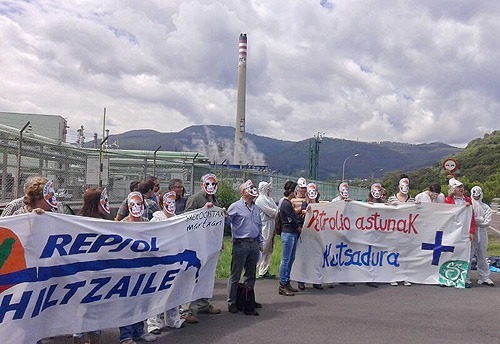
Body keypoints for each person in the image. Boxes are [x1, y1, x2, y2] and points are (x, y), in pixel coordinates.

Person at [180, 173, 222, 322]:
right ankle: (186, 310)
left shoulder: (214, 199)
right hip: (195, 243)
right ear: (202, 184)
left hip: (209, 243)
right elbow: (187, 218)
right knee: (192, 275)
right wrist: (203, 209)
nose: (212, 187)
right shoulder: (195, 199)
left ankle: (203, 304)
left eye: (214, 184)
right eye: (209, 184)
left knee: (206, 274)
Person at [72, 188, 110, 344]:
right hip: (81, 271)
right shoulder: (76, 221)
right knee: (81, 305)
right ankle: (79, 335)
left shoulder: (105, 222)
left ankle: (93, 335)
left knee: (96, 307)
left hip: (99, 272)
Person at [119, 191, 157, 343]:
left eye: (139, 204)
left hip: (145, 269)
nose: (136, 207)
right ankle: (126, 336)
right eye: (132, 204)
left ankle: (139, 331)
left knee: (142, 302)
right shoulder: (121, 225)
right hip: (127, 269)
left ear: (143, 205)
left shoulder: (147, 223)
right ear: (128, 206)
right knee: (127, 303)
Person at [147, 191, 186, 334]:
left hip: (174, 259)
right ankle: (153, 323)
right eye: (168, 202)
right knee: (157, 292)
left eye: (173, 202)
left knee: (174, 290)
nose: (171, 205)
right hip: (159, 261)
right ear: (162, 203)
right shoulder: (156, 220)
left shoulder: (177, 219)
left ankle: (173, 319)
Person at [226, 180, 264, 313]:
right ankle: (232, 301)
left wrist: (260, 242)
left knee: (251, 273)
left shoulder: (256, 208)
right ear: (243, 192)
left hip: (253, 242)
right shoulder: (235, 206)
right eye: (250, 188)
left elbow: (259, 226)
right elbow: (226, 222)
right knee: (235, 274)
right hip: (240, 243)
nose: (253, 190)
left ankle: (248, 298)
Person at [444, 177, 476, 288]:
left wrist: (472, 231)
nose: (461, 189)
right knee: (450, 254)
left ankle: (464, 278)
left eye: (461, 186)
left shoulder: (467, 200)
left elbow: (472, 217)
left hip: (464, 231)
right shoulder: (448, 200)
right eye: (458, 187)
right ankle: (447, 277)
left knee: (465, 254)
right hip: (452, 231)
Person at [387, 175, 414, 286]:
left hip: (407, 231)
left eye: (407, 184)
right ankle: (393, 276)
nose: (405, 187)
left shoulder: (412, 199)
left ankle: (405, 276)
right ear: (399, 186)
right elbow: (384, 212)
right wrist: (390, 206)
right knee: (393, 253)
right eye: (403, 184)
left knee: (406, 254)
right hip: (394, 230)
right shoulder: (392, 199)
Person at [297, 183, 324, 290]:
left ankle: (315, 280)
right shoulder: (304, 203)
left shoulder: (320, 204)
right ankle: (301, 281)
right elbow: (303, 212)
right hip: (306, 234)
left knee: (316, 258)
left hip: (316, 235)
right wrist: (307, 209)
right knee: (304, 258)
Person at [278, 181, 301, 296]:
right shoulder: (285, 204)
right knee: (286, 259)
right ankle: (282, 283)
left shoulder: (288, 203)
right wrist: (297, 228)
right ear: (291, 191)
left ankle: (286, 281)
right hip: (288, 233)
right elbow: (291, 219)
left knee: (290, 259)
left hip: (291, 233)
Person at [469, 186, 494, 286]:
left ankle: (484, 277)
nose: (476, 196)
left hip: (482, 233)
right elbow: (468, 219)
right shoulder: (469, 206)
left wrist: (475, 220)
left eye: (478, 194)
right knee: (469, 255)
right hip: (471, 232)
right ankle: (466, 277)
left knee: (482, 255)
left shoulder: (485, 207)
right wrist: (479, 220)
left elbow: (487, 222)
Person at [255, 181, 278, 279]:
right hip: (264, 225)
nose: (270, 189)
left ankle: (264, 270)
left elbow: (276, 210)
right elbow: (271, 212)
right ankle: (254, 268)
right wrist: (275, 212)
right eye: (268, 187)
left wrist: (275, 212)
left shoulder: (270, 199)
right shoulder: (260, 200)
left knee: (269, 249)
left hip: (271, 224)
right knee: (263, 247)